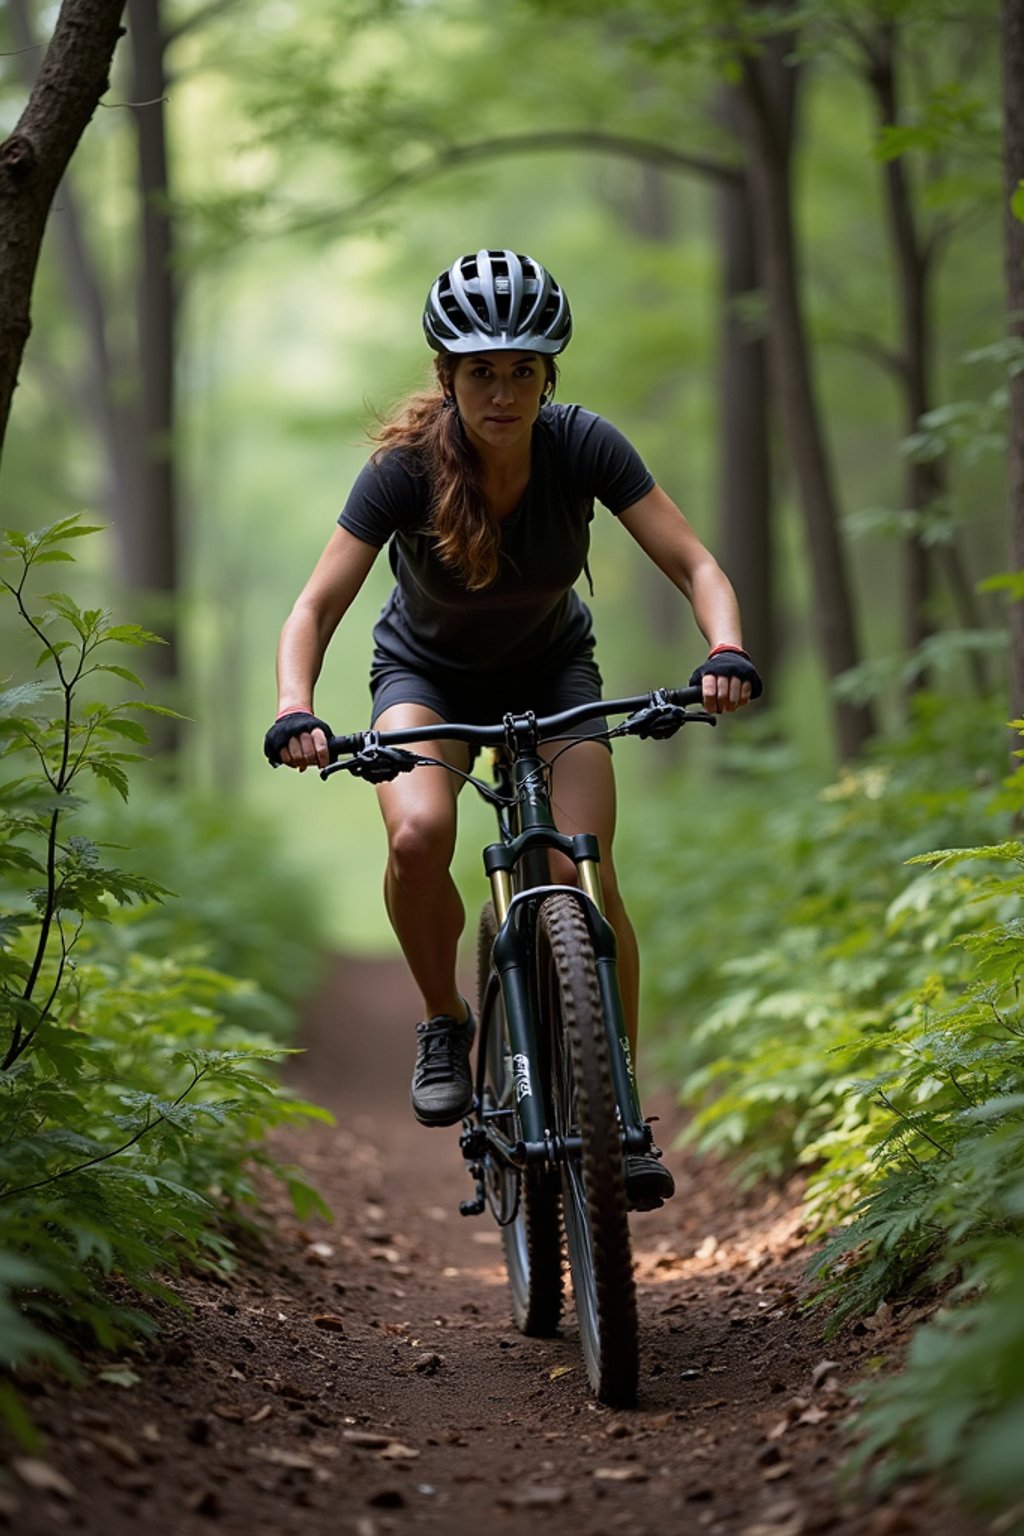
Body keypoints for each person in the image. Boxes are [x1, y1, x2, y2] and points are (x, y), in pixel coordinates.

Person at [264, 248, 762, 1210]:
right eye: (481, 370)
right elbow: (314, 608)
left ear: (549, 376)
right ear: (447, 376)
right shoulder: (404, 471)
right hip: (427, 678)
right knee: (419, 834)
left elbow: (696, 563)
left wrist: (725, 648)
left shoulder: (583, 446)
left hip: (553, 672)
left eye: (523, 370)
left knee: (586, 868)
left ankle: (616, 1106)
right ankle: (446, 1019)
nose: (504, 390)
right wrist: (296, 706)